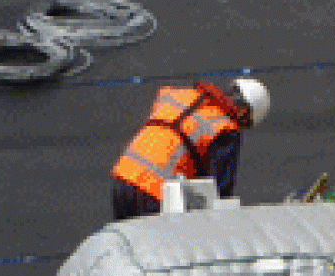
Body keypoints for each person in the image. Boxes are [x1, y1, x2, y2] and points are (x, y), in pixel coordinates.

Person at [111, 76, 269, 219]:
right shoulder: (225, 128)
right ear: (243, 112)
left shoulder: (180, 95)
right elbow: (219, 191)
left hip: (124, 176)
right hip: (155, 192)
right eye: (245, 124)